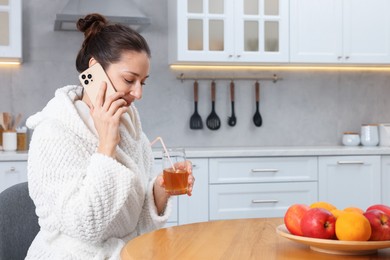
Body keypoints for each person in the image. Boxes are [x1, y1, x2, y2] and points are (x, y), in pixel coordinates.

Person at [25, 13, 194, 259]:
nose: (138, 93)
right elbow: (85, 227)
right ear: (95, 70)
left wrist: (161, 188)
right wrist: (106, 146)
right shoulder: (54, 131)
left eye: (143, 83)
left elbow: (135, 218)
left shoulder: (129, 125)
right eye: (129, 80)